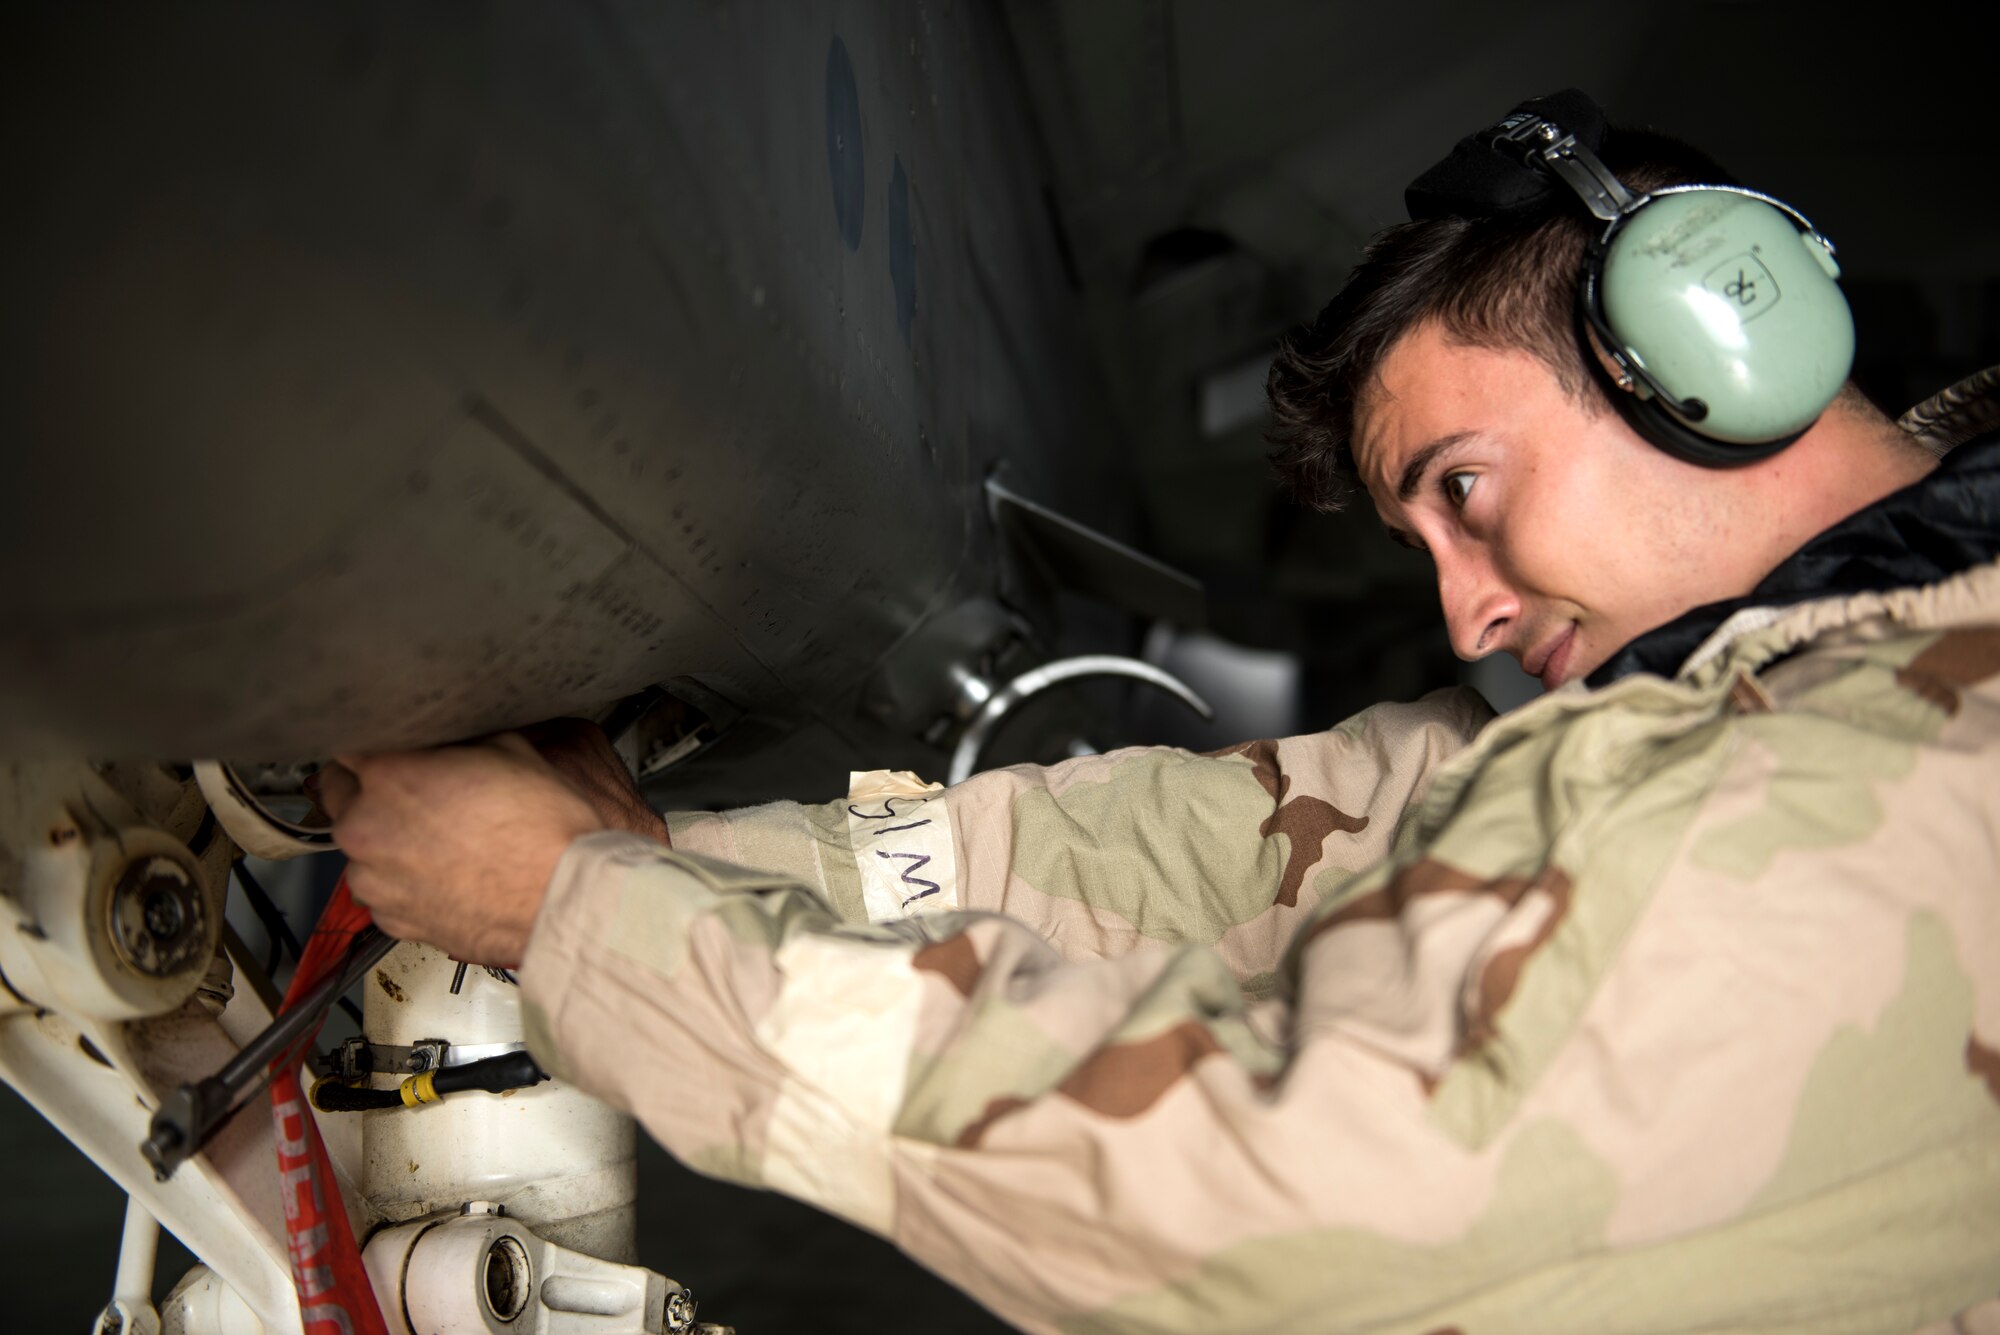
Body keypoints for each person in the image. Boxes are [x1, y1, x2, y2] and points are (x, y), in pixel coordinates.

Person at [321, 92, 2000, 1333]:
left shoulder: (1893, 780)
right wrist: (650, 856)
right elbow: (1226, 852)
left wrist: (582, 913)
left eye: (1468, 486)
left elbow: (1270, 1193)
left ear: (1720, 330)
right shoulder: (1775, 699)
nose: (1465, 608)